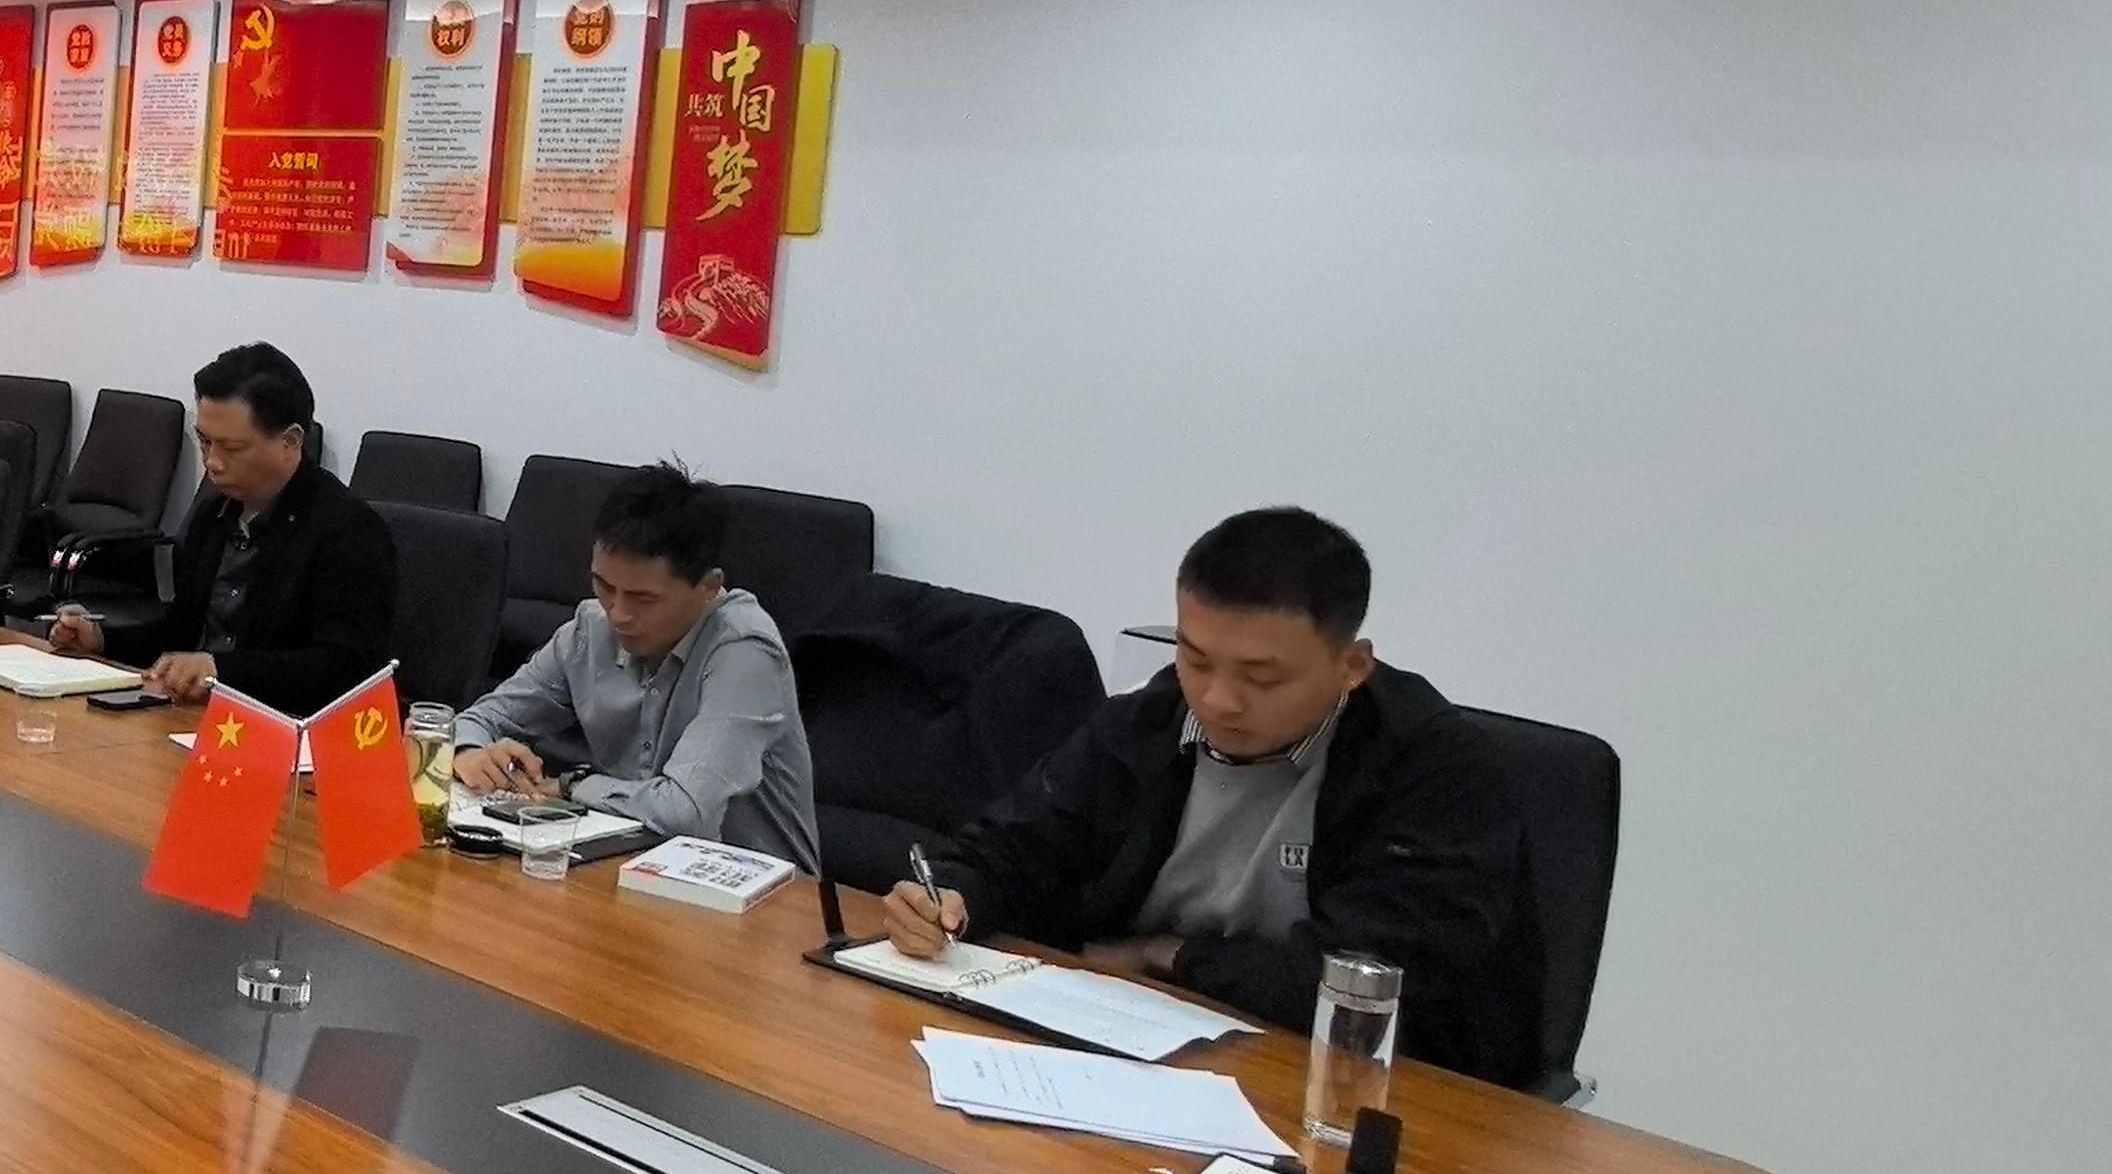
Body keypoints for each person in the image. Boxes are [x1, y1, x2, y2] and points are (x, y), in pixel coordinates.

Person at [883, 507, 1538, 1085]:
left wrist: (1169, 956)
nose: (1218, 699)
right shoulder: (1147, 722)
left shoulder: (1436, 771)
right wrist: (951, 895)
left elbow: (1368, 981)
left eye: (1262, 677)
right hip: (1145, 1045)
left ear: (1352, 667)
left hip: (1350, 1082)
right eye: (1195, 658)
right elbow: (1017, 845)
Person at [449, 462, 820, 868]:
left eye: (644, 599)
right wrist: (470, 752)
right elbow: (479, 719)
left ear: (708, 588)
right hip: (630, 865)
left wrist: (572, 785)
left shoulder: (746, 651)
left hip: (757, 887)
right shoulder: (590, 629)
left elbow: (686, 813)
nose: (618, 614)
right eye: (604, 586)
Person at [45, 342, 397, 714]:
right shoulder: (213, 516)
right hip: (196, 716)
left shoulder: (348, 531)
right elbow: (182, 632)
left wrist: (222, 672)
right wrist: (102, 639)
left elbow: (347, 669)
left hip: (281, 727)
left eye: (232, 448)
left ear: (290, 442)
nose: (212, 462)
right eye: (204, 441)